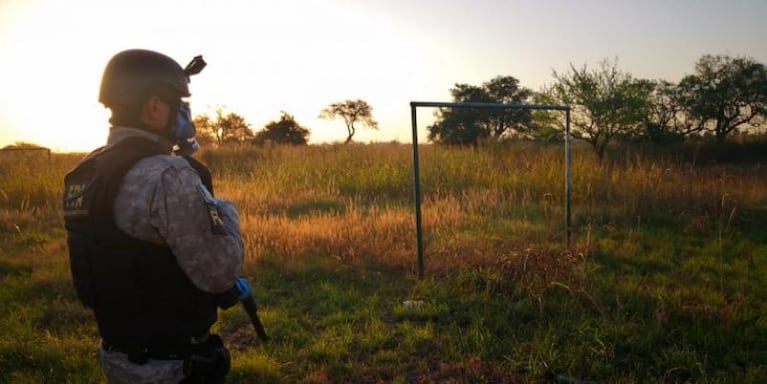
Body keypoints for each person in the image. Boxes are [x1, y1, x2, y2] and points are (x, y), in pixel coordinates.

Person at [63, 49, 247, 383]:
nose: (186, 114)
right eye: (180, 103)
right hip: (173, 367)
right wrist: (225, 211)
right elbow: (221, 272)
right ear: (153, 107)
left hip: (119, 358)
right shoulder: (166, 174)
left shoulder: (88, 171)